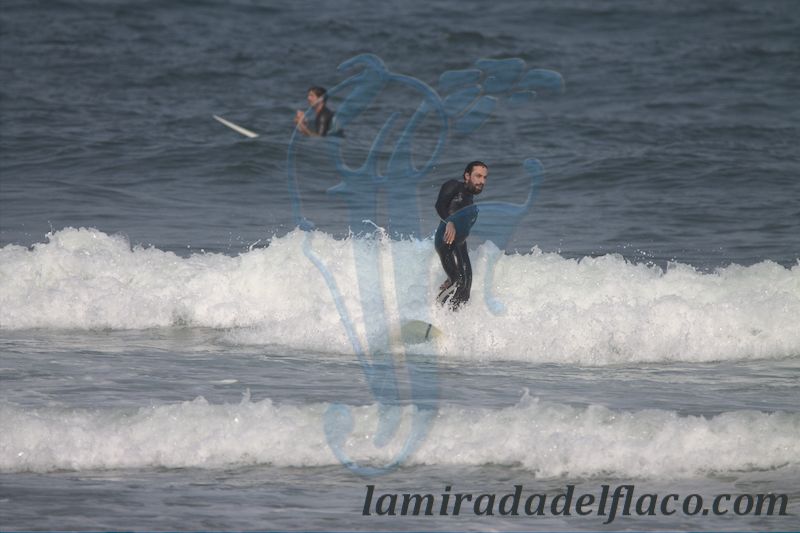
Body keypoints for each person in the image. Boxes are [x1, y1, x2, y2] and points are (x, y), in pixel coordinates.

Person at [434, 161, 488, 310]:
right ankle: (435, 311)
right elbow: (439, 205)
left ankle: (453, 316)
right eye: (478, 176)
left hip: (460, 245)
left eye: (484, 177)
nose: (482, 181)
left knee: (466, 288)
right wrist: (449, 222)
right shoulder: (453, 186)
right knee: (457, 282)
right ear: (467, 176)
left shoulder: (470, 201)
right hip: (446, 242)